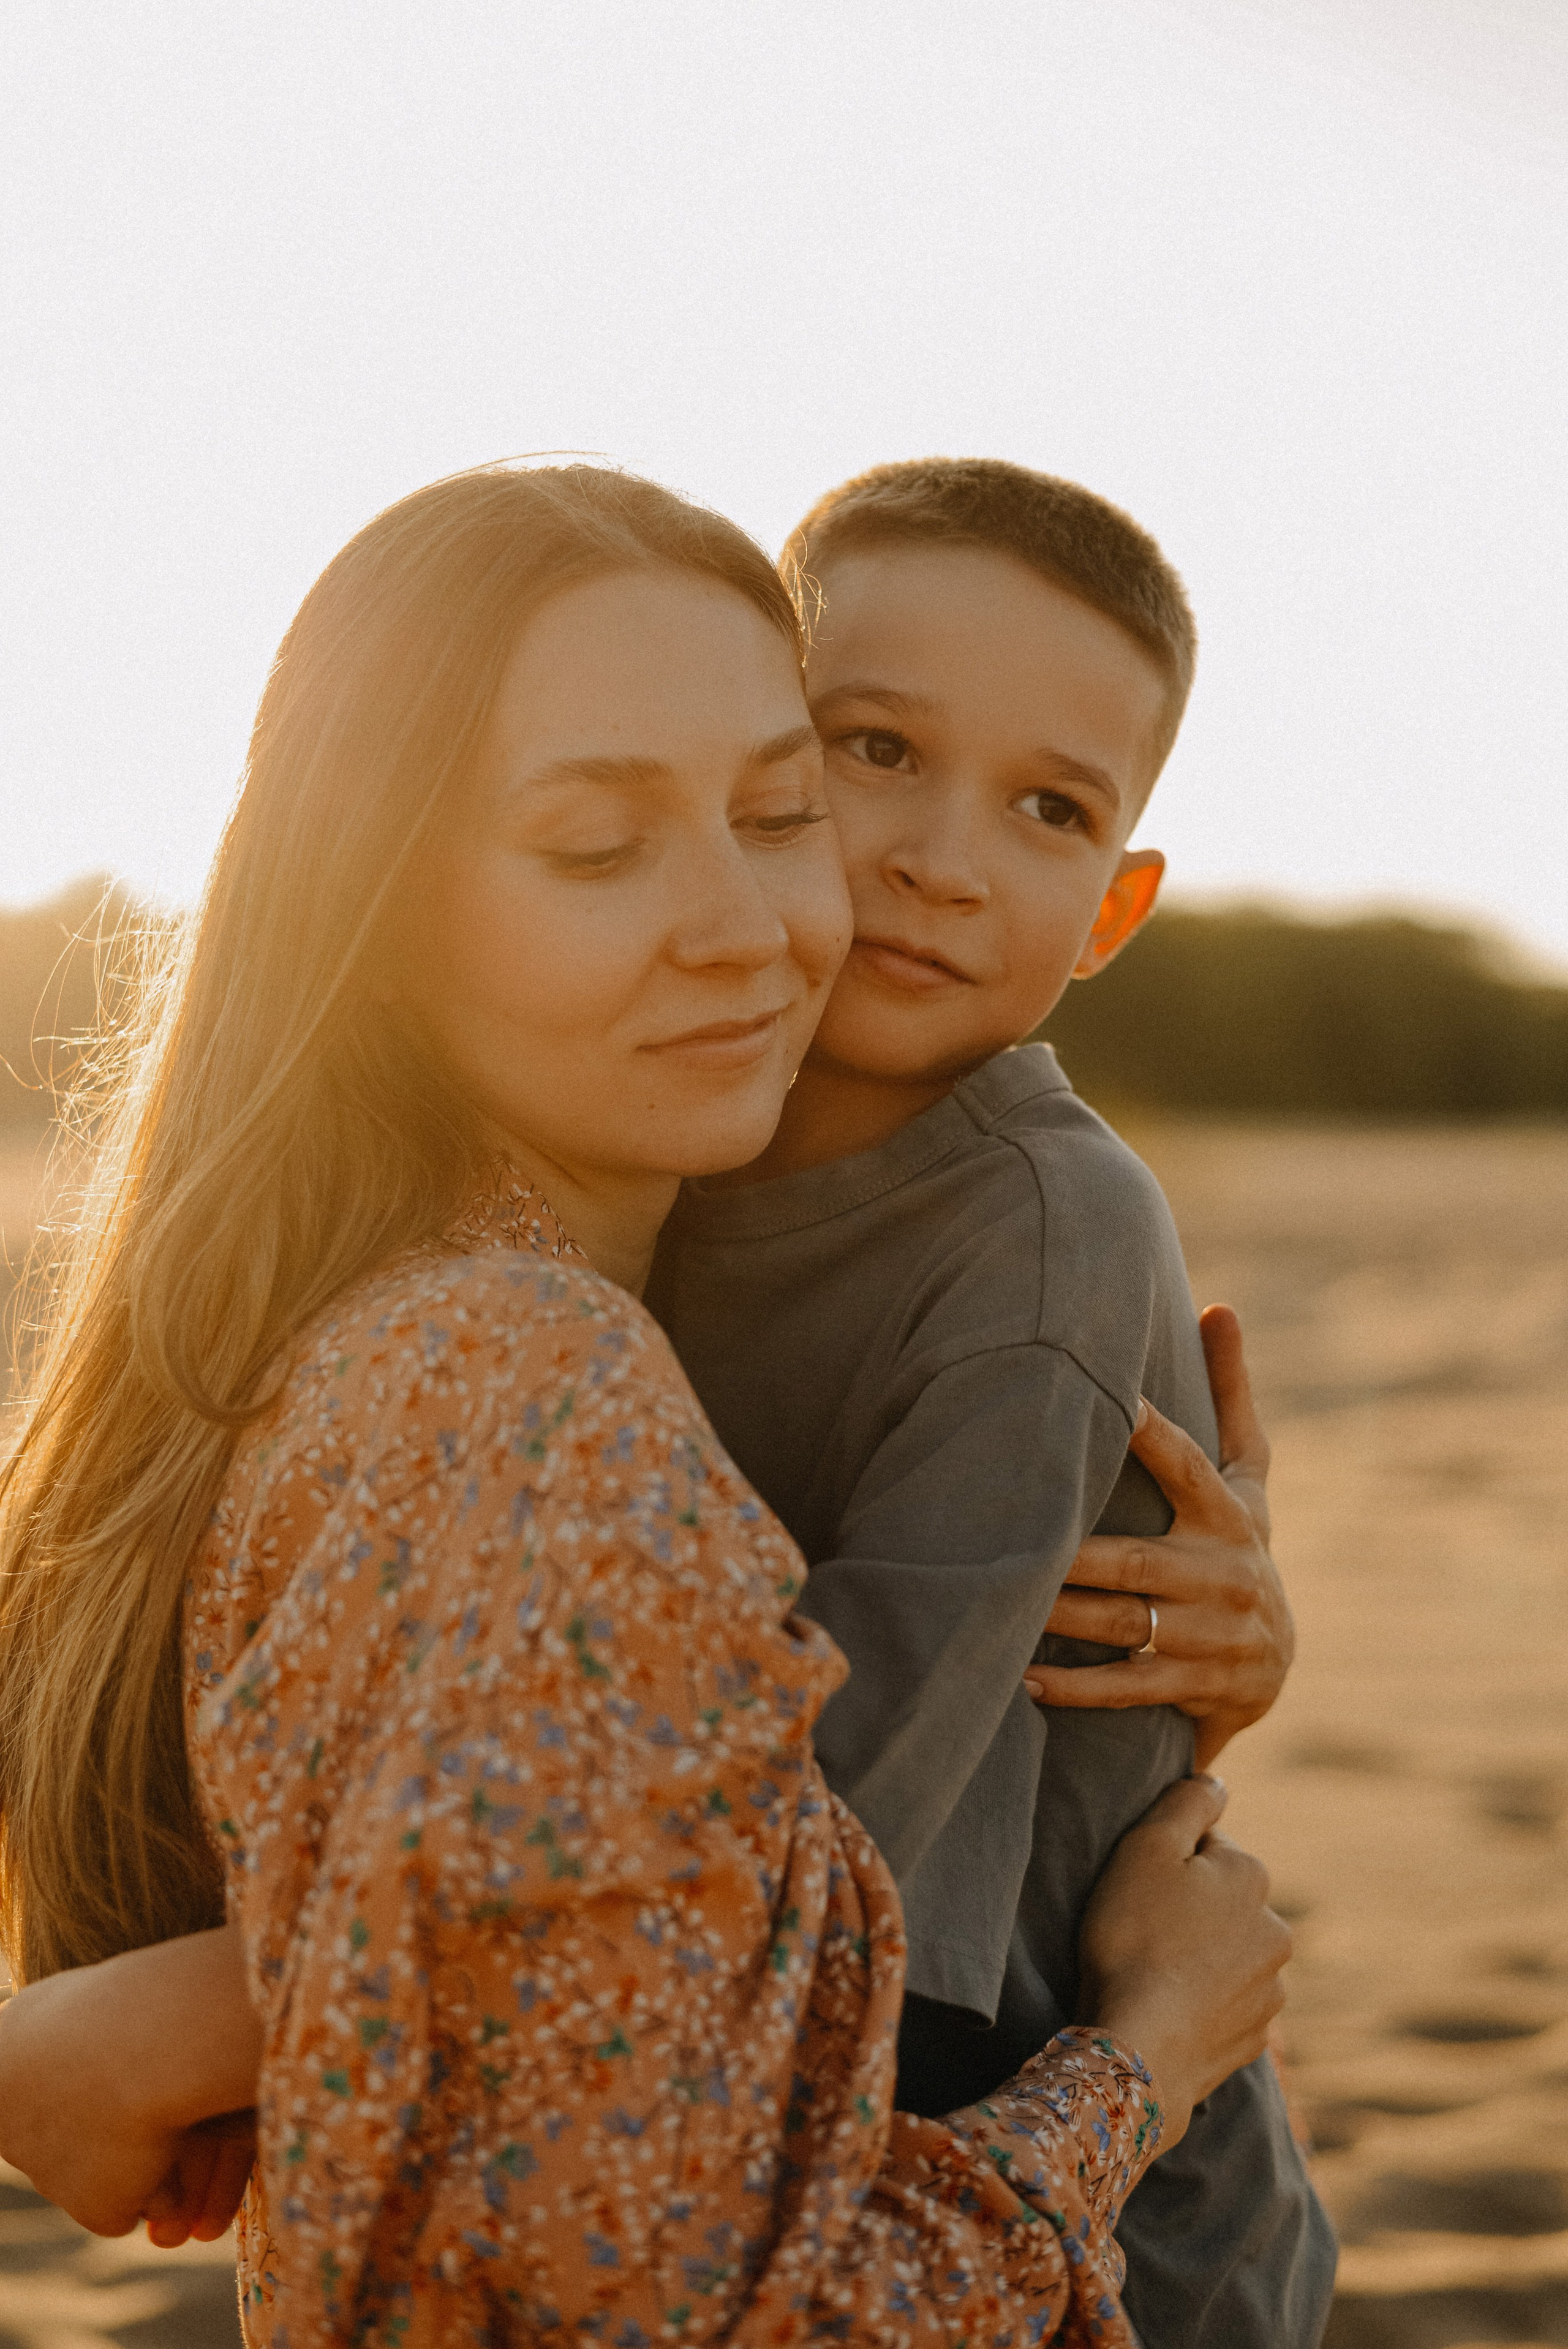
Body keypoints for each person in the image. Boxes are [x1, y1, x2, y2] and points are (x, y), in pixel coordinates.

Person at [0, 463, 1291, 2348]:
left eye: (773, 812)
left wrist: (1192, 1660)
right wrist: (1149, 2054)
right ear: (375, 902)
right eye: (599, 845)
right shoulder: (539, 1377)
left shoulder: (443, 1296)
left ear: (1114, 901)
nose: (758, 922)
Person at [646, 459, 1335, 2348]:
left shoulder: (1048, 1228)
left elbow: (838, 1802)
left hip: (1089, 2223)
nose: (945, 859)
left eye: (1049, 808)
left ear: (1112, 909)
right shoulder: (664, 1131)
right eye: (877, 748)